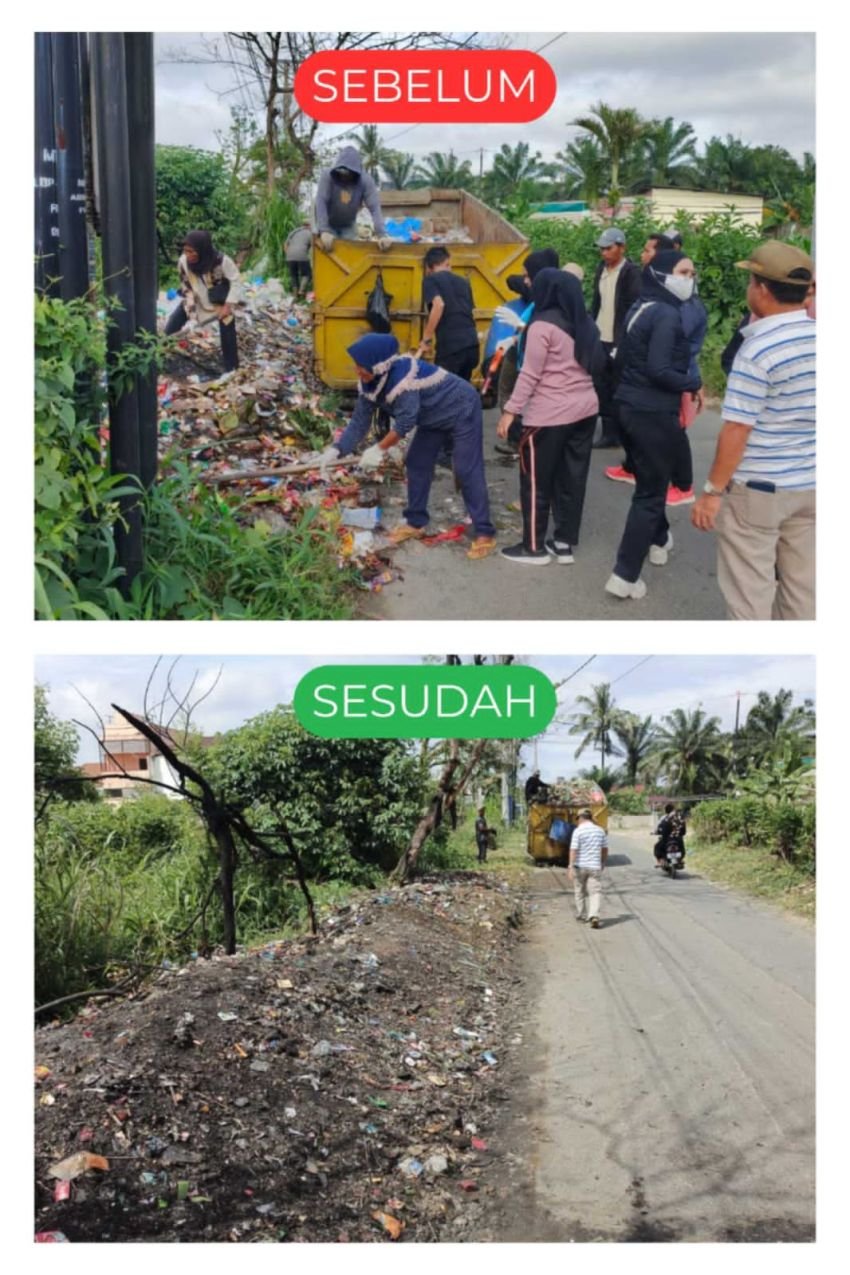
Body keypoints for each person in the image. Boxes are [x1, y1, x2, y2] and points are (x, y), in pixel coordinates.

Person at [691, 241, 815, 621]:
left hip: (760, 488)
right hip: (812, 484)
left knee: (749, 591)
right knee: (803, 587)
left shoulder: (757, 349)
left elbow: (737, 428)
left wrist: (712, 492)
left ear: (761, 288)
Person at [320, 333, 497, 559]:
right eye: (356, 365)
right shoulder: (370, 382)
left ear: (379, 365)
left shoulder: (404, 379)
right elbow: (358, 422)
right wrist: (336, 450)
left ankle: (484, 532)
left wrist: (379, 449)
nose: (358, 370)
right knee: (417, 462)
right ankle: (415, 521)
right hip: (432, 416)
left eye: (361, 366)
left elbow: (405, 423)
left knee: (466, 467)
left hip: (461, 407)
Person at [605, 249, 702, 600]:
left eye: (692, 273)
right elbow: (660, 370)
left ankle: (659, 538)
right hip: (651, 413)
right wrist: (691, 384)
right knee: (650, 494)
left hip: (628, 407)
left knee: (649, 480)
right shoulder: (665, 315)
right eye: (683, 272)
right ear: (662, 274)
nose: (689, 279)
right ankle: (624, 575)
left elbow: (627, 360)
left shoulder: (641, 307)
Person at [496, 268, 601, 565]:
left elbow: (530, 375)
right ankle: (564, 542)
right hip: (586, 410)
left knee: (535, 481)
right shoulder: (585, 323)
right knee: (572, 477)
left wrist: (510, 411)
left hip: (549, 414)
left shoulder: (541, 326)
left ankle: (533, 548)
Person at [606, 232, 706, 507]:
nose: (643, 255)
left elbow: (667, 357)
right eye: (684, 272)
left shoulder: (677, 309)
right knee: (654, 442)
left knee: (673, 431)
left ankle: (682, 484)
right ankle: (638, 473)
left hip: (676, 378)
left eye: (648, 251)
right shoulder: (656, 301)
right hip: (654, 385)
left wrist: (691, 382)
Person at [590, 228, 642, 448]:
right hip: (601, 334)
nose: (604, 253)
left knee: (618, 383)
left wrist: (623, 340)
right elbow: (596, 302)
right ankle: (609, 431)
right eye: (602, 248)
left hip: (619, 337)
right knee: (601, 383)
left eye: (609, 248)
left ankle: (622, 431)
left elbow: (631, 308)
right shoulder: (601, 269)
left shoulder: (631, 273)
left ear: (622, 248)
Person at [164, 230, 242, 373]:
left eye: (191, 251)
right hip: (196, 300)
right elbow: (187, 289)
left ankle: (232, 369)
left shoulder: (221, 261)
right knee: (173, 324)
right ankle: (160, 354)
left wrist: (228, 305)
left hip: (219, 302)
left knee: (228, 332)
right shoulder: (183, 262)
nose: (188, 255)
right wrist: (192, 317)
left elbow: (236, 281)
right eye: (185, 251)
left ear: (202, 250)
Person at [417, 247, 479, 379]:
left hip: (451, 350)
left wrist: (426, 339)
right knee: (462, 391)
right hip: (472, 346)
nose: (450, 269)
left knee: (444, 393)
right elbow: (469, 311)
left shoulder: (430, 279)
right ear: (445, 263)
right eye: (449, 265)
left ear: (429, 267)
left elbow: (439, 305)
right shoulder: (464, 282)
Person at [314, 146, 392, 252]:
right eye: (342, 172)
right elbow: (321, 201)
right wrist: (323, 230)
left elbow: (375, 208)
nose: (344, 176)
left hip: (348, 225)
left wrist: (382, 234)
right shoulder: (327, 176)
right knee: (325, 254)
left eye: (348, 173)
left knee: (349, 255)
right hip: (327, 223)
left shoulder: (366, 181)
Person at [569, 810, 608, 929]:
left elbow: (574, 850)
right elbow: (605, 849)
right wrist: (602, 862)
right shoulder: (600, 831)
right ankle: (594, 915)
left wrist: (570, 866)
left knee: (579, 890)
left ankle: (581, 915)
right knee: (595, 892)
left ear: (580, 818)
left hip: (580, 866)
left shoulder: (578, 831)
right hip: (595, 866)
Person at [285, 220, 313, 296]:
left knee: (294, 275)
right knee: (307, 274)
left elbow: (285, 244)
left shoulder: (294, 232)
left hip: (290, 256)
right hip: (301, 255)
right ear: (309, 226)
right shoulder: (309, 233)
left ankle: (295, 294)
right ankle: (301, 290)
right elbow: (314, 246)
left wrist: (288, 254)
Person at [654, 802, 687, 868]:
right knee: (682, 848)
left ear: (666, 811)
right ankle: (680, 860)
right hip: (678, 840)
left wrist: (657, 832)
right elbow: (683, 831)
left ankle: (661, 861)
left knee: (657, 847)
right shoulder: (680, 818)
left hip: (667, 840)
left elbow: (661, 829)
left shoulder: (666, 818)